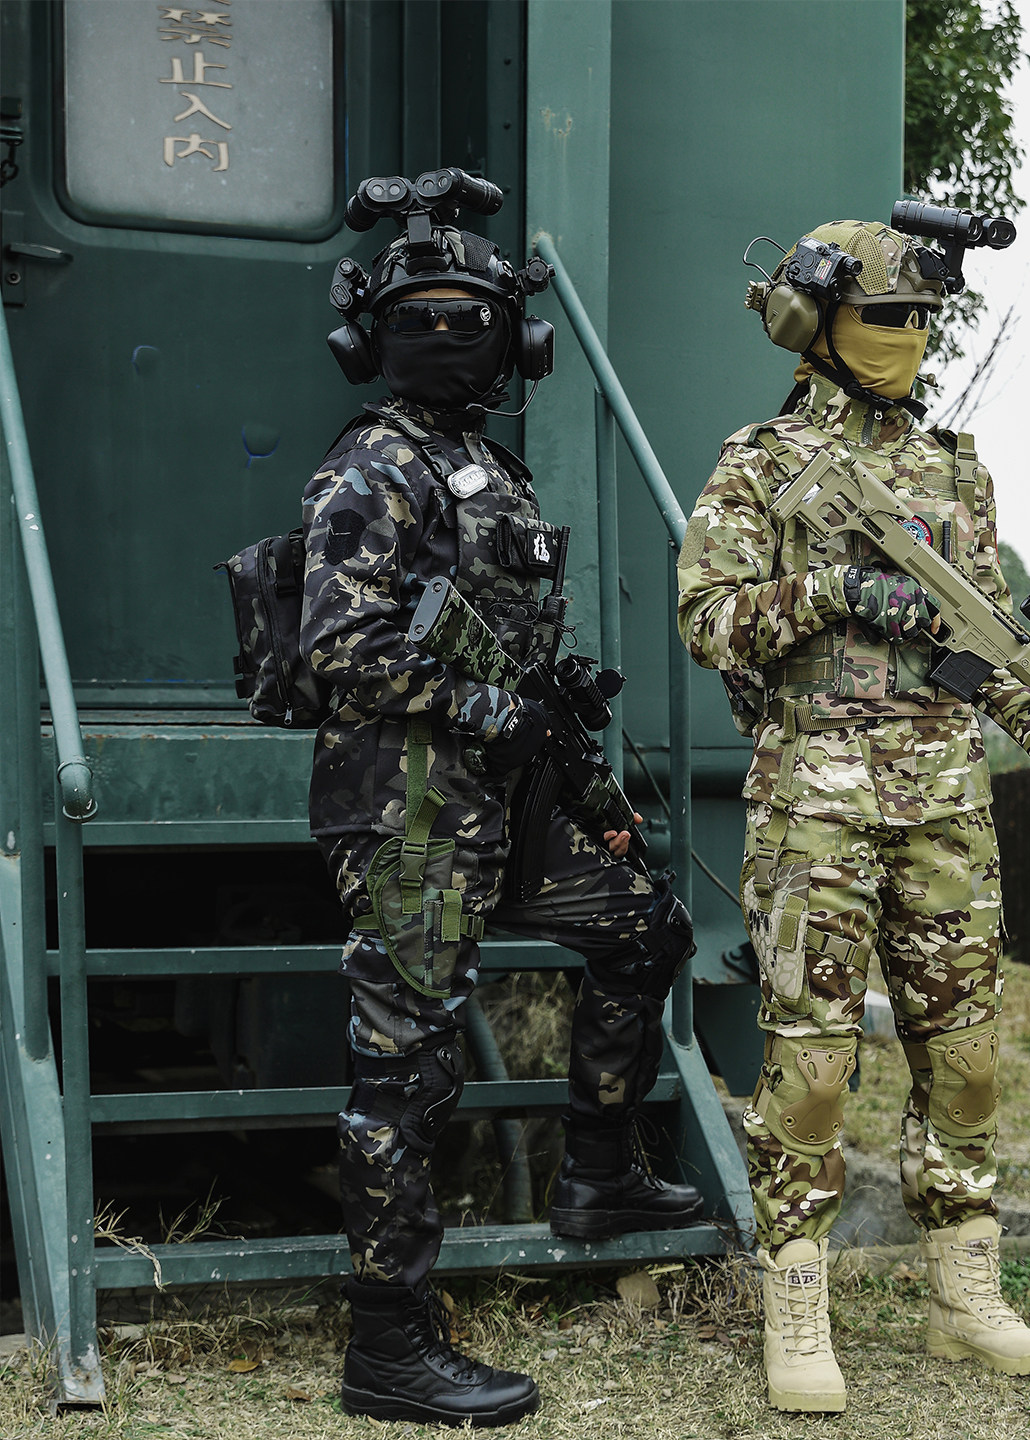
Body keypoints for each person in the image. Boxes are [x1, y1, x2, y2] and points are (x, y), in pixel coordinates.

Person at [676, 218, 1030, 1413]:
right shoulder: (762, 461)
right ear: (819, 324)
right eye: (889, 318)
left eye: (925, 321)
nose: (911, 341)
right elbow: (707, 620)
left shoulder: (953, 466)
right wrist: (831, 587)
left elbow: (989, 653)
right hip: (818, 801)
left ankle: (963, 1292)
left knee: (966, 1055)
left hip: (945, 802)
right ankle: (795, 1297)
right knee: (815, 1064)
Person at [303, 190, 702, 1428]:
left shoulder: (490, 473)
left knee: (647, 927)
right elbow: (339, 652)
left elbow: (511, 667)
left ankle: (598, 1175)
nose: (457, 340)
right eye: (431, 320)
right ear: (378, 338)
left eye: (473, 319)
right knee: (406, 1076)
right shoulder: (370, 470)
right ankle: (389, 1348)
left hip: (512, 806)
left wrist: (562, 730)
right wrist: (489, 712)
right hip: (414, 815)